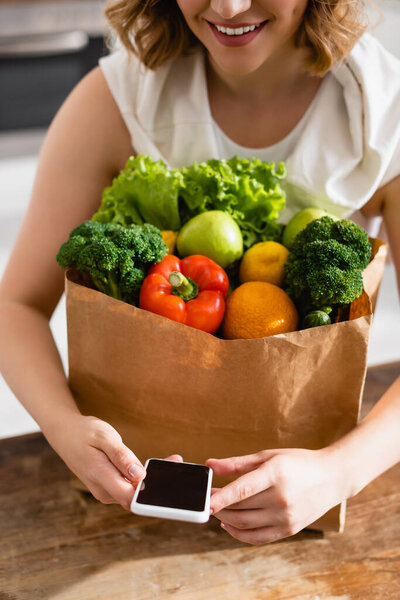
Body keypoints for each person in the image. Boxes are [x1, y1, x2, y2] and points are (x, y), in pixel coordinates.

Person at [0, 0, 399, 546]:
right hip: (124, 506)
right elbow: (15, 305)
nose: (229, 6)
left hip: (302, 512)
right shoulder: (117, 98)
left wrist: (339, 470)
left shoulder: (382, 110)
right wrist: (63, 428)